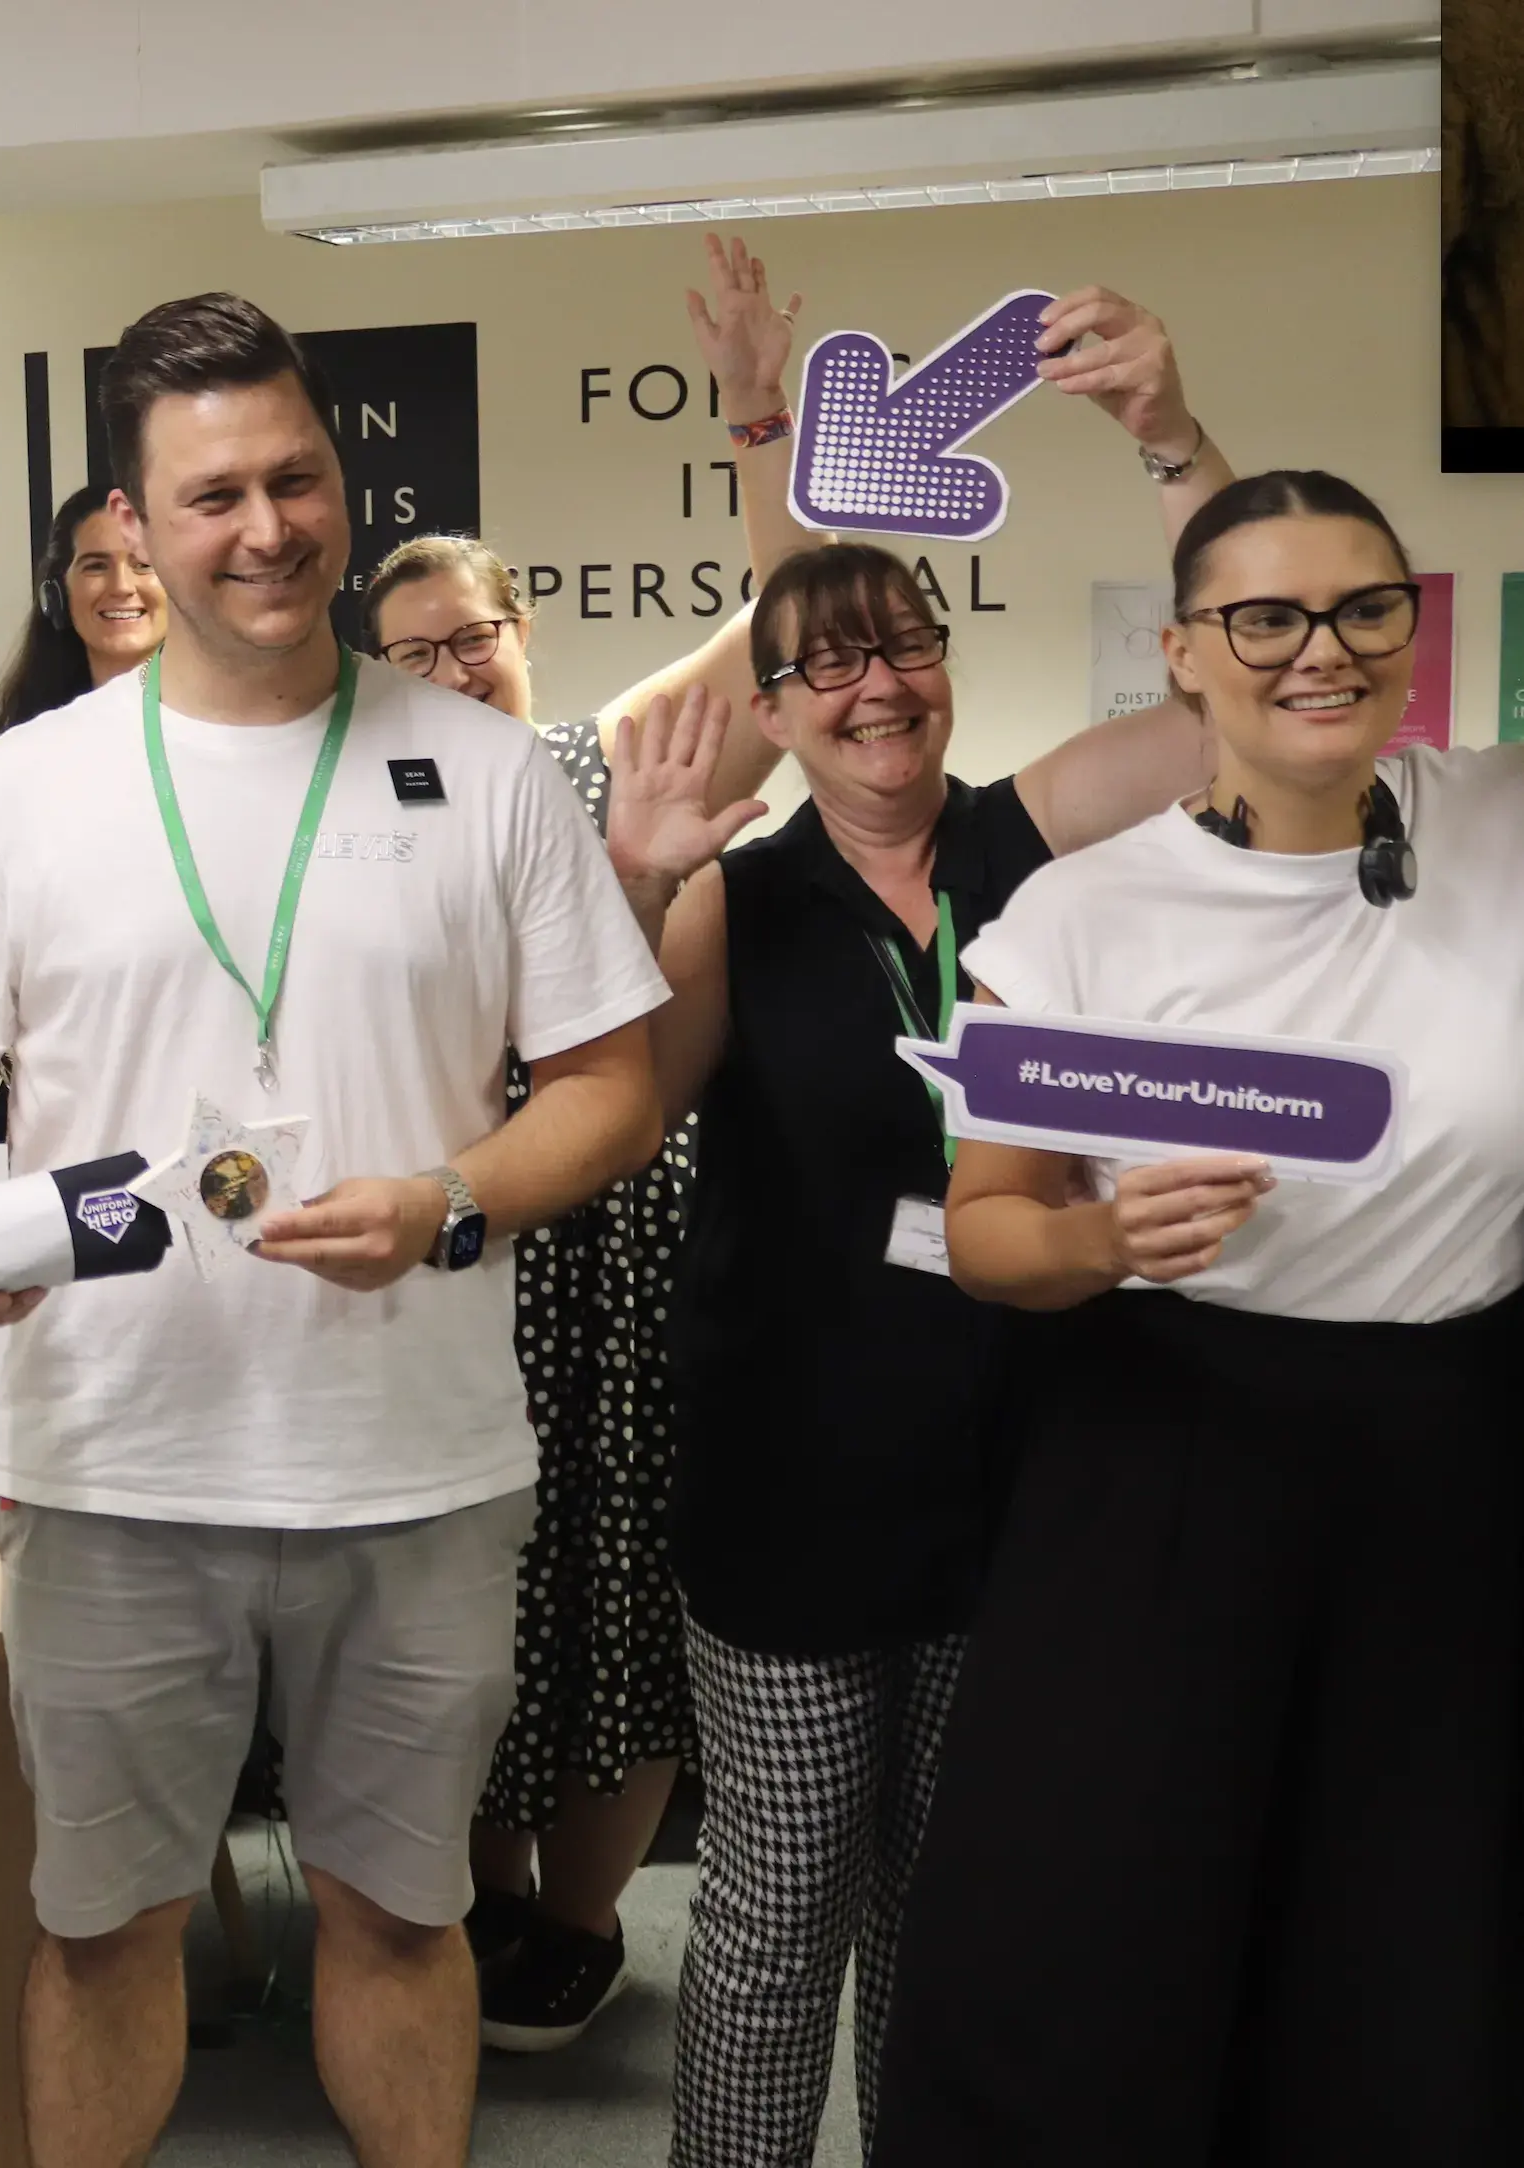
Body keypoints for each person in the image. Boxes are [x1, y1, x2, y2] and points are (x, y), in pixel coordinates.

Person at [0, 290, 671, 2168]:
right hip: (113, 1461)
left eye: (294, 477)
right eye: (211, 492)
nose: (267, 526)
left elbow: (611, 1088)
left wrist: (450, 1198)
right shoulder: (29, 787)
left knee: (403, 1913)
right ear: (133, 529)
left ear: (339, 478)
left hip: (414, 1466)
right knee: (102, 1924)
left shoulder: (484, 774)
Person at [600, 303, 1227, 2160]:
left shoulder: (1025, 839)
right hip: (793, 1488)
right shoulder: (740, 899)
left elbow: (1226, 700)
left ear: (948, 668)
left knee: (946, 1909)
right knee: (778, 1915)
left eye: (906, 648)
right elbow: (626, 1102)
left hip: (1012, 1473)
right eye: (828, 671)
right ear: (774, 714)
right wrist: (638, 877)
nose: (876, 686)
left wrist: (1172, 435)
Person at [876, 473, 1524, 2164]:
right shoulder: (1078, 918)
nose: (1320, 649)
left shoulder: (1504, 818)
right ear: (1179, 653)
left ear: (1410, 624)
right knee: (1109, 1937)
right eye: (1263, 618)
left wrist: (1172, 430)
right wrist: (1098, 1235)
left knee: (1407, 1938)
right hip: (1166, 1461)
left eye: (1363, 607)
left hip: (1449, 1473)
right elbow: (984, 1231)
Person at [357, 233, 817, 2050]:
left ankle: (577, 1918)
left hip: (616, 1256)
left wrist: (758, 423)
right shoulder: (353, 820)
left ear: (517, 632)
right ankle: (468, 1902)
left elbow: (784, 606)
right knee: (464, 1606)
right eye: (412, 650)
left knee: (609, 1599)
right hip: (455, 1258)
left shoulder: (608, 757)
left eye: (473, 634)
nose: (451, 665)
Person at [0, 483, 168, 733]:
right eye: (96, 566)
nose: (122, 586)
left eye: (143, 564)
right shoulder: (29, 741)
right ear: (57, 594)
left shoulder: (227, 720)